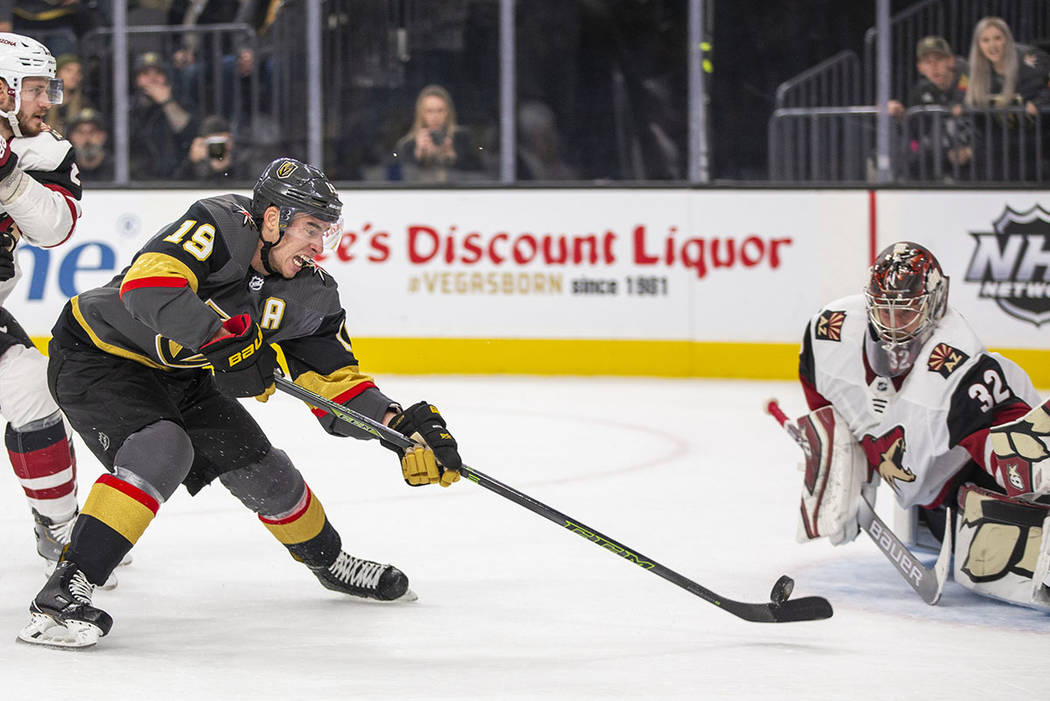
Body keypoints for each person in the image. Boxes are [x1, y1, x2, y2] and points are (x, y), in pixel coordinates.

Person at [18, 157, 464, 648]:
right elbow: (146, 289)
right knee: (163, 449)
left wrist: (396, 426)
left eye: (327, 232)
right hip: (97, 355)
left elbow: (337, 386)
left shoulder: (311, 295)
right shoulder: (221, 224)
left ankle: (331, 563)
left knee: (266, 471)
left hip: (182, 374)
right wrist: (222, 341)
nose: (320, 246)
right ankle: (63, 594)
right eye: (311, 228)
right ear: (271, 219)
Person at [794, 241, 1050, 610]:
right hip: (924, 492)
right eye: (884, 309)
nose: (894, 325)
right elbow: (816, 386)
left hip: (965, 479)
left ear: (935, 303)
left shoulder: (957, 365)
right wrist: (835, 445)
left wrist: (1022, 468)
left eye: (907, 312)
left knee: (1006, 534)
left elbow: (1001, 429)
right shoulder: (830, 331)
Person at [0, 33, 83, 574]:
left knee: (32, 387)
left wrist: (5, 172)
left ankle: (59, 527)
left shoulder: (44, 150)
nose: (46, 101)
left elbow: (57, 227)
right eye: (34, 89)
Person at [963, 17, 1050, 180]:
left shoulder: (1031, 59)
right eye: (985, 40)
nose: (992, 46)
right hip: (999, 148)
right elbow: (970, 112)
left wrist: (1041, 101)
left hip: (1036, 144)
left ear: (1007, 40)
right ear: (979, 45)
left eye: (998, 38)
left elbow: (1047, 84)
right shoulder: (974, 72)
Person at [887, 36, 972, 179]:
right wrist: (901, 116)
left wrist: (970, 151)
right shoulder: (921, 91)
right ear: (920, 68)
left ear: (950, 61)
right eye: (928, 62)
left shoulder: (970, 81)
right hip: (939, 156)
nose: (934, 67)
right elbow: (914, 134)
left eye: (939, 59)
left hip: (972, 156)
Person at [129, 51, 198, 180]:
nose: (152, 79)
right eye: (145, 74)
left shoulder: (181, 102)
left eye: (158, 73)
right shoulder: (128, 109)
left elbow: (189, 133)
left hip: (178, 178)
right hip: (139, 181)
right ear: (136, 80)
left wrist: (167, 102)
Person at [394, 84, 480, 183]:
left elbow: (479, 176)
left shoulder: (461, 139)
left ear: (448, 112)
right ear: (421, 113)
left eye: (440, 110)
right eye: (429, 111)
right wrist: (418, 155)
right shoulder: (408, 145)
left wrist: (452, 156)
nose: (435, 116)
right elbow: (398, 179)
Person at [175, 114, 254, 180]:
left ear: (231, 140)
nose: (217, 147)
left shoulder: (242, 158)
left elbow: (251, 182)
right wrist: (191, 160)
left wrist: (230, 166)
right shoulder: (197, 161)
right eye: (212, 142)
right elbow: (176, 185)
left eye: (221, 142)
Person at [66, 107, 112, 181]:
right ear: (72, 137)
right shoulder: (65, 170)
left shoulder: (118, 169)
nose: (87, 138)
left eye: (92, 132)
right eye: (80, 132)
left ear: (103, 136)